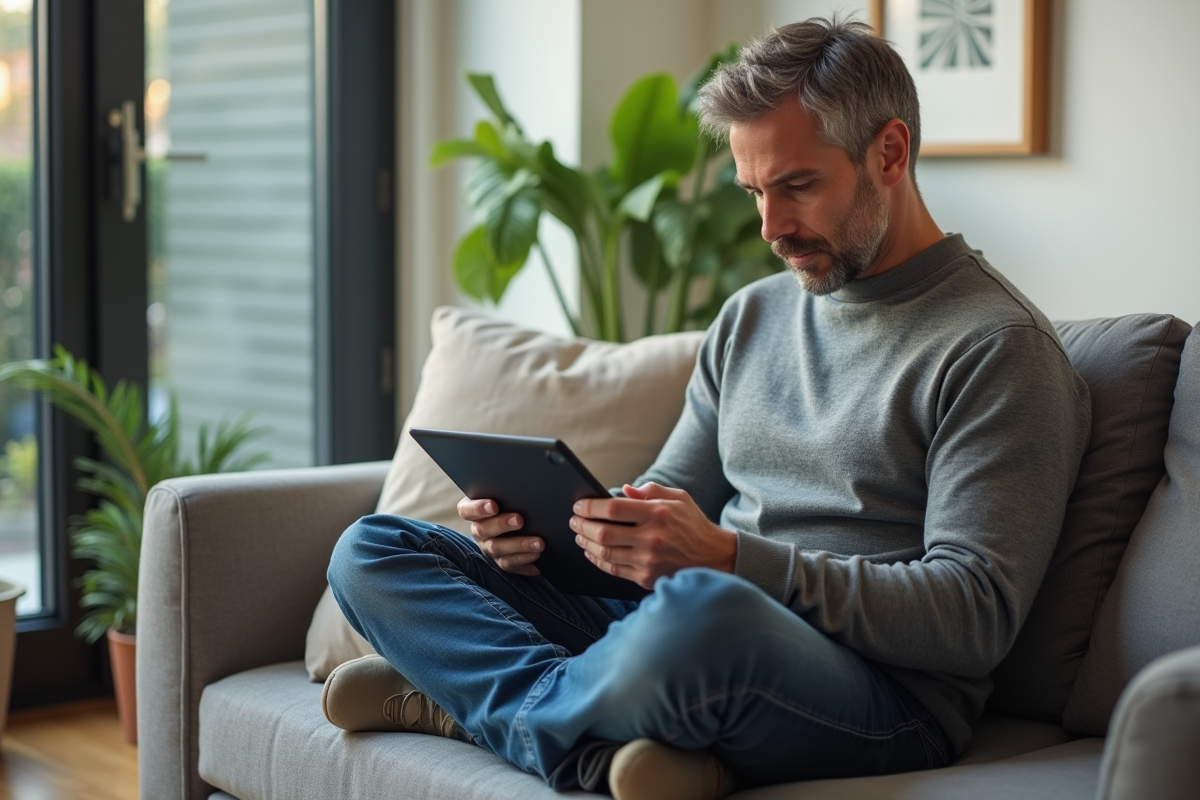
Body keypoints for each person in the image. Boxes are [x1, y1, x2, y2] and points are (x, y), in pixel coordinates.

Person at [324, 17, 1090, 800]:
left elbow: (973, 615)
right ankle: (571, 721)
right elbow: (662, 497)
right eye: (755, 192)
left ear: (889, 153)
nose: (771, 229)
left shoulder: (997, 347)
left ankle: (482, 709)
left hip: (876, 695)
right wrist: (560, 534)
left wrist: (729, 561)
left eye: (797, 186)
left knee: (704, 614)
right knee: (373, 550)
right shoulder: (752, 317)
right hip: (681, 631)